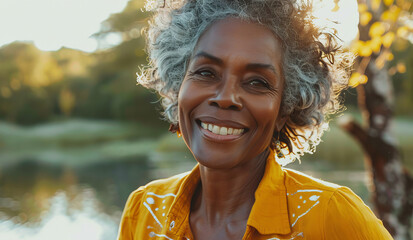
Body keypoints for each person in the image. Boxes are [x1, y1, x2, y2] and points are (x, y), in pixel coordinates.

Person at [118, 0, 393, 239]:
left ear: (285, 109)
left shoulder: (333, 215)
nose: (226, 98)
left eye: (257, 82)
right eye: (206, 73)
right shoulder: (144, 209)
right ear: (179, 86)